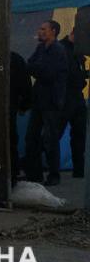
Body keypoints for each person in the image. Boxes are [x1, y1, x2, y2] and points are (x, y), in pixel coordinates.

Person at [24, 20, 69, 186]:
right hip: (38, 101)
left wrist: (37, 68)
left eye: (43, 29)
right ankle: (34, 174)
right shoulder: (41, 48)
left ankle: (54, 174)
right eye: (40, 28)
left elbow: (48, 73)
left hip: (51, 102)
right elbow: (31, 65)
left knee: (50, 139)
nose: (40, 31)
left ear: (53, 31)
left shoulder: (58, 51)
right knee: (32, 137)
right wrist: (38, 68)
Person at [60, 28, 88, 178]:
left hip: (76, 97)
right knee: (53, 135)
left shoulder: (77, 51)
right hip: (65, 98)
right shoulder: (61, 49)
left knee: (79, 135)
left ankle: (79, 169)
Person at [7, 51, 32, 185]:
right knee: (10, 140)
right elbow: (26, 85)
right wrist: (24, 106)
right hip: (9, 107)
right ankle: (12, 176)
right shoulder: (15, 58)